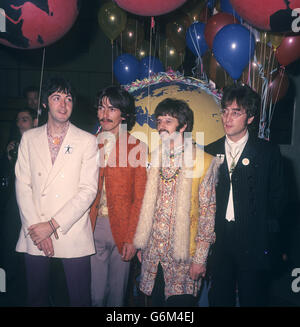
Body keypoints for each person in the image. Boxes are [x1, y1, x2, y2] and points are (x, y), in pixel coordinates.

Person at [14, 76, 99, 306]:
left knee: (80, 299)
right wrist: (37, 229)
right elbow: (23, 185)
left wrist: (52, 225)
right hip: (35, 230)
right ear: (45, 104)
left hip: (70, 230)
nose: (63, 105)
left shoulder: (87, 141)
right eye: (57, 98)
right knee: (36, 297)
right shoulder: (29, 139)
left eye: (68, 99)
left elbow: (88, 190)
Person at [205, 84, 285, 306]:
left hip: (253, 239)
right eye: (225, 111)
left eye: (236, 112)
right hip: (219, 239)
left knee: (253, 297)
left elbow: (278, 199)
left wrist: (269, 238)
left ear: (250, 118)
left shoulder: (267, 152)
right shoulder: (209, 151)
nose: (227, 118)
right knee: (219, 297)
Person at [133, 98, 217, 307]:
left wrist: (200, 259)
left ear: (184, 125)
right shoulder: (151, 159)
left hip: (184, 258)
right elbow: (145, 206)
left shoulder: (204, 161)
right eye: (159, 120)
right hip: (153, 254)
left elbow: (207, 215)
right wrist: (141, 245)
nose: (161, 125)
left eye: (168, 121)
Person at [89, 85, 147, 307]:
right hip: (92, 227)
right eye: (102, 108)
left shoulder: (137, 147)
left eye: (112, 109)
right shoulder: (87, 143)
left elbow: (140, 199)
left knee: (117, 297)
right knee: (95, 295)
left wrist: (133, 238)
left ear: (124, 115)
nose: (105, 114)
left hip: (123, 230)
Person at [0, 108, 37, 306]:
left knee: (28, 256)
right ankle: (3, 291)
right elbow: (5, 181)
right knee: (7, 251)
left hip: (33, 209)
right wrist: (7, 158)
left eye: (24, 119)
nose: (20, 124)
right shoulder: (12, 145)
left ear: (35, 121)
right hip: (12, 208)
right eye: (18, 120)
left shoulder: (39, 145)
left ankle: (27, 295)